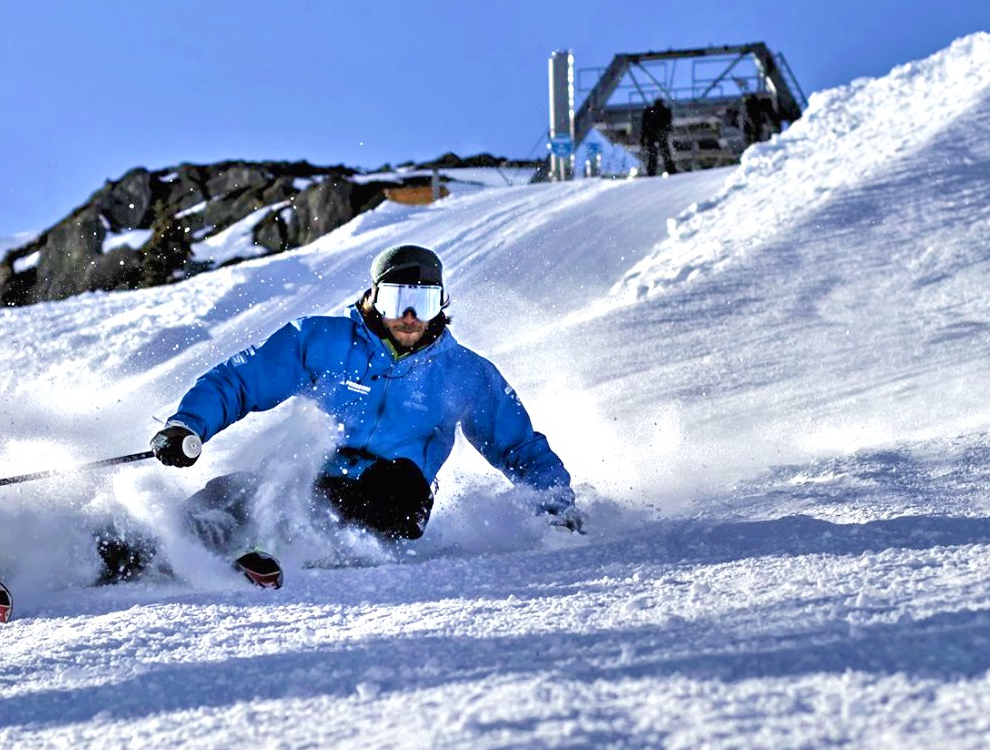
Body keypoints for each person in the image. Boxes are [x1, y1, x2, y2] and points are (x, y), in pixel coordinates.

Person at [123, 244, 580, 589]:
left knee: (380, 491)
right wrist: (188, 425)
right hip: (312, 475)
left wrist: (554, 506)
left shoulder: (463, 372)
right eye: (397, 300)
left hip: (395, 494)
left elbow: (517, 444)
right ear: (374, 297)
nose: (408, 317)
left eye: (422, 303)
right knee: (237, 490)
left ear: (441, 305)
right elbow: (243, 380)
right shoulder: (323, 341)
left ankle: (271, 547)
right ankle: (140, 546)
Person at [641, 97, 674, 176]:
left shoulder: (649, 111)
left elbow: (644, 126)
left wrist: (642, 138)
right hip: (661, 136)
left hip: (651, 136)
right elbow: (668, 124)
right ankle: (671, 170)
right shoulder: (665, 110)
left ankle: (651, 173)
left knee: (652, 156)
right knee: (666, 154)